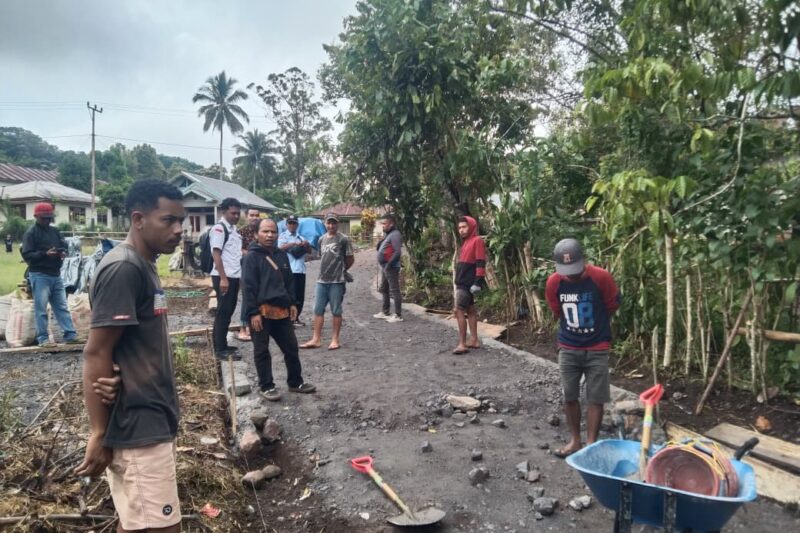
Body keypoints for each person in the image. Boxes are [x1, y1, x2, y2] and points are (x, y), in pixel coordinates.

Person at [76, 179, 186, 533]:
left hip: (151, 419)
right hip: (138, 425)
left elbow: (126, 346)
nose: (179, 230)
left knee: (142, 524)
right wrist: (97, 432)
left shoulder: (145, 264)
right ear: (138, 219)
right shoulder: (124, 268)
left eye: (180, 221)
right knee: (161, 527)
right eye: (168, 220)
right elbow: (97, 352)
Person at [545, 238, 620, 458]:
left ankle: (590, 444)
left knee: (595, 397)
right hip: (568, 346)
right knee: (569, 395)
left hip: (597, 346)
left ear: (583, 261)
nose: (572, 275)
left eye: (575, 269)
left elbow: (611, 305)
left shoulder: (601, 278)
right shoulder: (554, 282)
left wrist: (595, 330)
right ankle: (575, 440)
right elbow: (556, 310)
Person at [243, 218, 316, 401]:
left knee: (291, 348)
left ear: (278, 233)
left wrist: (292, 303)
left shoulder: (281, 255)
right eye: (265, 231)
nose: (269, 235)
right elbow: (248, 287)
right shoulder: (251, 257)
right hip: (261, 312)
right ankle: (266, 386)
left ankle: (295, 382)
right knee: (262, 351)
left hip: (281, 311)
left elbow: (289, 281)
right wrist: (253, 313)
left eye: (273, 232)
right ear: (256, 235)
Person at [20, 202, 79, 346]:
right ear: (36, 217)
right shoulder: (31, 233)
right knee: (41, 309)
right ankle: (43, 339)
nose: (47, 220)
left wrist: (62, 252)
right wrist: (45, 254)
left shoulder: (55, 231)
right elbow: (27, 255)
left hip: (55, 274)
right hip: (39, 275)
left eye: (49, 218)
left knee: (61, 306)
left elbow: (63, 244)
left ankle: (70, 335)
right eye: (44, 218)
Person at [300, 213, 354, 351]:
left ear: (338, 223)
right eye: (328, 223)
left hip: (337, 281)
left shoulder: (344, 239)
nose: (331, 226)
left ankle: (335, 339)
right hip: (321, 280)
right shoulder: (321, 239)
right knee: (318, 309)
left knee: (336, 310)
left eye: (333, 223)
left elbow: (350, 259)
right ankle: (316, 338)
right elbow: (321, 257)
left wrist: (342, 270)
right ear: (325, 223)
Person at [210, 198, 243, 359]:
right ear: (224, 212)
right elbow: (216, 253)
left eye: (238, 213)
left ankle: (222, 344)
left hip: (233, 276)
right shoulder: (219, 228)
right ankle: (219, 349)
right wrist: (223, 278)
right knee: (223, 313)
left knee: (228, 311)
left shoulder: (233, 230)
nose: (236, 216)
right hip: (224, 277)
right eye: (233, 213)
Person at [452, 215, 487, 355]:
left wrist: (478, 282)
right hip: (464, 282)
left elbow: (480, 262)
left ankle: (462, 343)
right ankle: (474, 339)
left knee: (459, 310)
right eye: (459, 227)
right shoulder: (466, 242)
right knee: (471, 310)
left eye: (464, 227)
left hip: (466, 283)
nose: (461, 230)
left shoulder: (477, 240)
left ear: (471, 226)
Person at [278, 214, 311, 327]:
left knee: (300, 295)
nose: (292, 225)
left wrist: (306, 245)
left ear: (297, 225)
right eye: (290, 223)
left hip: (300, 270)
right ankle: (287, 319)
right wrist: (292, 243)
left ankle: (296, 318)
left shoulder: (301, 237)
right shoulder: (282, 236)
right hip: (288, 270)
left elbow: (310, 251)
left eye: (294, 223)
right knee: (288, 295)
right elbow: (280, 248)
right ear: (286, 224)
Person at [373, 213, 403, 322]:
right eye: (382, 224)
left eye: (384, 223)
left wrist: (389, 265)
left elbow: (397, 252)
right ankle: (385, 312)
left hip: (391, 267)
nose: (382, 226)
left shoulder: (395, 234)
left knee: (394, 290)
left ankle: (398, 315)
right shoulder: (389, 234)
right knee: (384, 289)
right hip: (386, 266)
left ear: (391, 224)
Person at [237, 207, 261, 341]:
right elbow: (237, 249)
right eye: (251, 215)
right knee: (247, 297)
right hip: (245, 269)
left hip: (261, 270)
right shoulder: (240, 232)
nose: (254, 217)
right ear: (247, 216)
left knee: (258, 298)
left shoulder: (262, 231)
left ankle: (254, 328)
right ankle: (243, 328)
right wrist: (250, 254)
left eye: (257, 215)